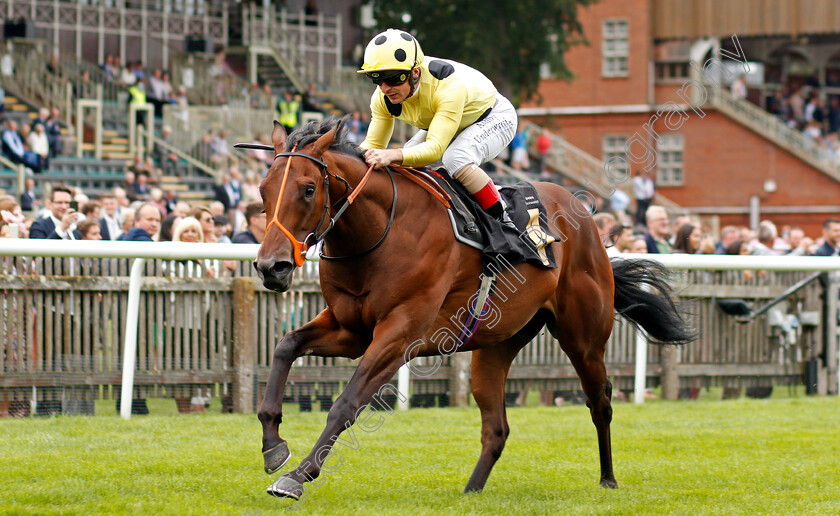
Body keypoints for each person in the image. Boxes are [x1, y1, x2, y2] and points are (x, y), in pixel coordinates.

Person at [357, 29, 517, 227]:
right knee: (407, 157)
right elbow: (372, 145)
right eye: (377, 79)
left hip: (494, 116)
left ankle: (505, 223)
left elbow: (434, 150)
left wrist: (391, 154)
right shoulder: (381, 97)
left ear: (415, 72)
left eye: (392, 79)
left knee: (456, 158)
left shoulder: (449, 86)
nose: (385, 88)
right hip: (449, 119)